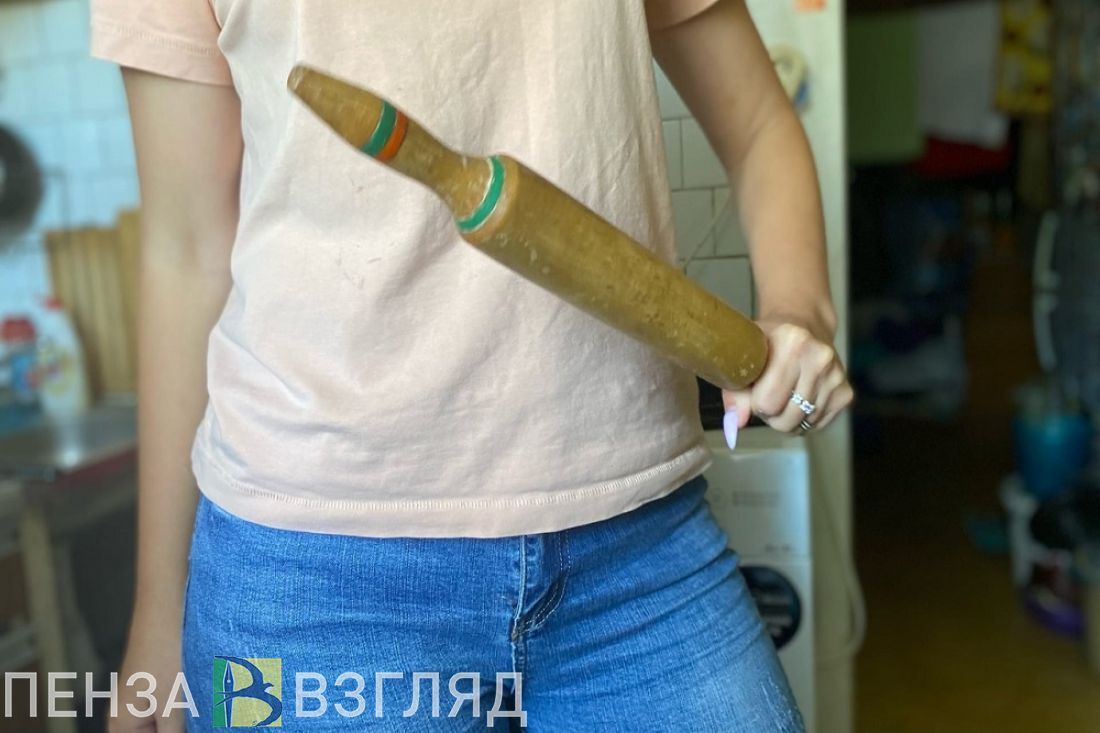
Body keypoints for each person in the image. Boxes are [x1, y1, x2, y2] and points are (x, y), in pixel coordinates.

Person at [91, 0, 853, 730]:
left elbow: (758, 126)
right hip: (310, 571)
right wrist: (158, 611)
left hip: (639, 542)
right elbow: (186, 248)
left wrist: (799, 311)